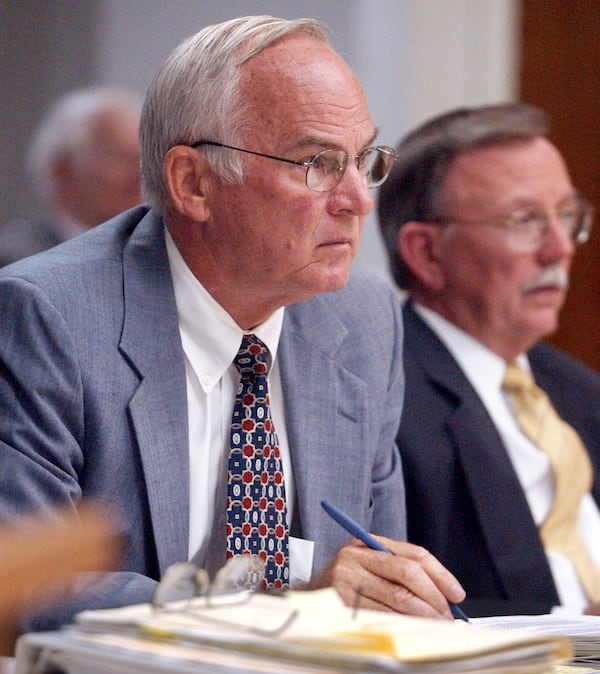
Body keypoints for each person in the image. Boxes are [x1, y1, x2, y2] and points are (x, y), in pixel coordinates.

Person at [0, 16, 465, 631]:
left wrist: (396, 592)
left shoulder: (363, 321)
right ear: (193, 183)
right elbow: (27, 588)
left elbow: (377, 573)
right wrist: (282, 607)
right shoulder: (48, 316)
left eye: (363, 160)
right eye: (318, 163)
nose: (358, 198)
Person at [377, 102, 600, 617]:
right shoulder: (385, 401)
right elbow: (403, 610)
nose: (561, 247)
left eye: (566, 215)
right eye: (525, 221)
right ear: (427, 253)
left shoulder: (577, 391)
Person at [0, 86, 143, 266]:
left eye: (142, 160)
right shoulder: (16, 263)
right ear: (63, 171)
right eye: (119, 159)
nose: (138, 175)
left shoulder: (154, 260)